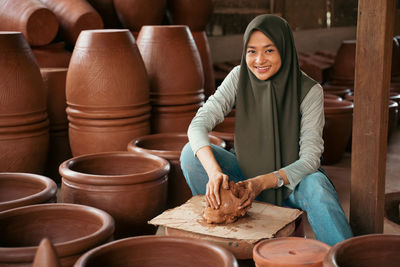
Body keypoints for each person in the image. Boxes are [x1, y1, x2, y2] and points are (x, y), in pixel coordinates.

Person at [180, 14, 353, 246]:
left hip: (290, 182)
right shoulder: (239, 76)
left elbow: (310, 159)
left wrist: (261, 183)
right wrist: (213, 173)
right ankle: (224, 223)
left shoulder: (309, 91)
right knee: (190, 155)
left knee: (319, 188)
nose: (259, 60)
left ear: (284, 48)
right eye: (252, 51)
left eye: (269, 50)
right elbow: (198, 124)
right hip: (245, 173)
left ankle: (345, 256)